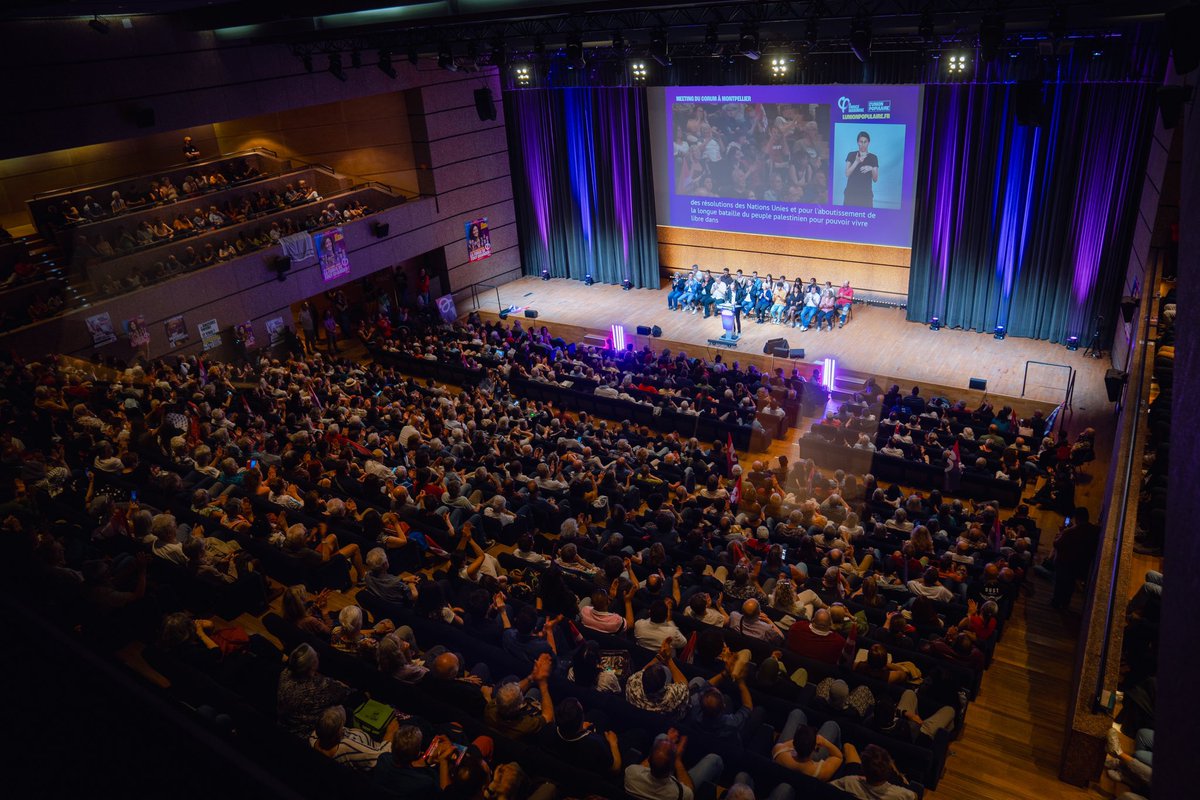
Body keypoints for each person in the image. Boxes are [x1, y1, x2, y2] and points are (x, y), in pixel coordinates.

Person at [623, 731, 723, 800]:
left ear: (649, 759)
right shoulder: (681, 794)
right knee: (714, 759)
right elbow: (689, 790)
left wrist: (666, 742)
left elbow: (641, 767)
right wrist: (678, 760)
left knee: (662, 737)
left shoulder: (630, 773)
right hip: (676, 784)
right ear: (672, 769)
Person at [310, 705, 390, 770]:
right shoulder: (346, 747)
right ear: (337, 732)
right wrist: (389, 732)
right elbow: (380, 757)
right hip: (380, 749)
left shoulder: (313, 737)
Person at [832, 743, 916, 800]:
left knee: (848, 746)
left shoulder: (848, 781)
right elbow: (914, 796)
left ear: (862, 769)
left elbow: (829, 787)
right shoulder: (900, 794)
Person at [843, 130, 879, 208]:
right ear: (857, 142)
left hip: (866, 195)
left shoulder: (873, 157)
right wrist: (856, 161)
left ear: (868, 142)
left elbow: (875, 179)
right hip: (851, 194)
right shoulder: (851, 155)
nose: (863, 144)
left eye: (865, 142)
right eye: (861, 141)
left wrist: (871, 168)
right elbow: (847, 173)